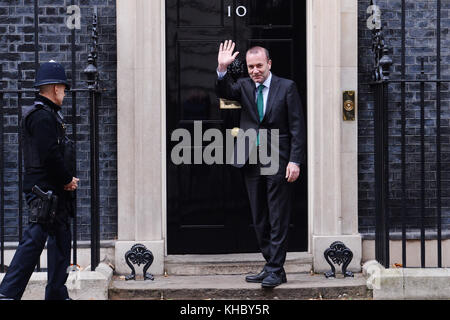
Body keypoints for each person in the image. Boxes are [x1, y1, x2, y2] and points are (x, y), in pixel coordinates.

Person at [216, 41, 306, 288]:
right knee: (259, 217)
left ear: (269, 64)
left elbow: (297, 127)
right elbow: (224, 93)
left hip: (278, 157)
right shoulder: (243, 86)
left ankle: (275, 269)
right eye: (250, 66)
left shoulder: (287, 87)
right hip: (251, 159)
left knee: (278, 216)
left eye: (259, 65)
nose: (255, 70)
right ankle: (272, 266)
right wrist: (222, 69)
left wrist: (295, 160)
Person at [0, 61, 79, 300]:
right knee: (34, 242)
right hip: (44, 192)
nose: (65, 93)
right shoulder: (42, 117)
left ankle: (56, 293)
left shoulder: (49, 115)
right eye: (64, 89)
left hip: (55, 192)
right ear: (55, 88)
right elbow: (49, 155)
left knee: (62, 242)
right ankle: (7, 293)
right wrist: (67, 179)